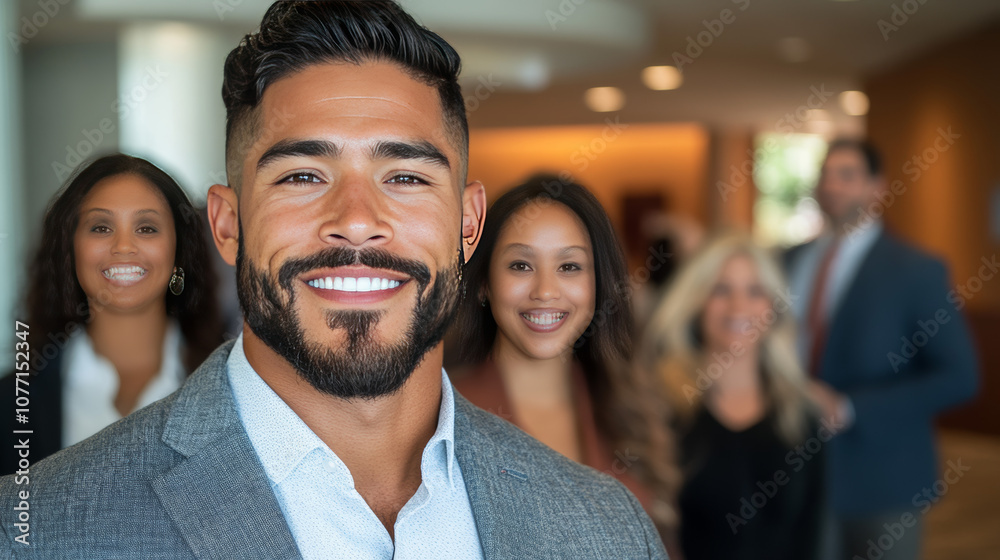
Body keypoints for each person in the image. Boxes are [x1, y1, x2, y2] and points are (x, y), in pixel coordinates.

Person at [0, 2, 668, 558]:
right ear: (227, 226)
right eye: (302, 176)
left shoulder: (602, 530)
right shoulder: (42, 532)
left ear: (468, 227)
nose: (355, 222)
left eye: (405, 178)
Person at [450, 174, 678, 539]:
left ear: (599, 283)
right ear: (483, 283)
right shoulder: (442, 417)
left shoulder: (632, 408)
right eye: (521, 265)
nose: (545, 291)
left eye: (569, 267)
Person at [784, 139, 978, 560]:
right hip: (793, 476)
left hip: (882, 480)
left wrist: (851, 408)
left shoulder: (916, 270)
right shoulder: (789, 260)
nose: (831, 184)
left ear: (877, 188)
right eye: (825, 173)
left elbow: (960, 377)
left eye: (847, 175)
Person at [0, 154, 222, 475]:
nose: (123, 246)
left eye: (146, 228)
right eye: (101, 227)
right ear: (70, 249)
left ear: (179, 252)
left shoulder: (233, 392)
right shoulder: (9, 407)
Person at [639, 232, 824, 560]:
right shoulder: (662, 409)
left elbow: (812, 537)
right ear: (697, 302)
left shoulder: (802, 416)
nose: (739, 306)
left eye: (755, 291)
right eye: (721, 290)